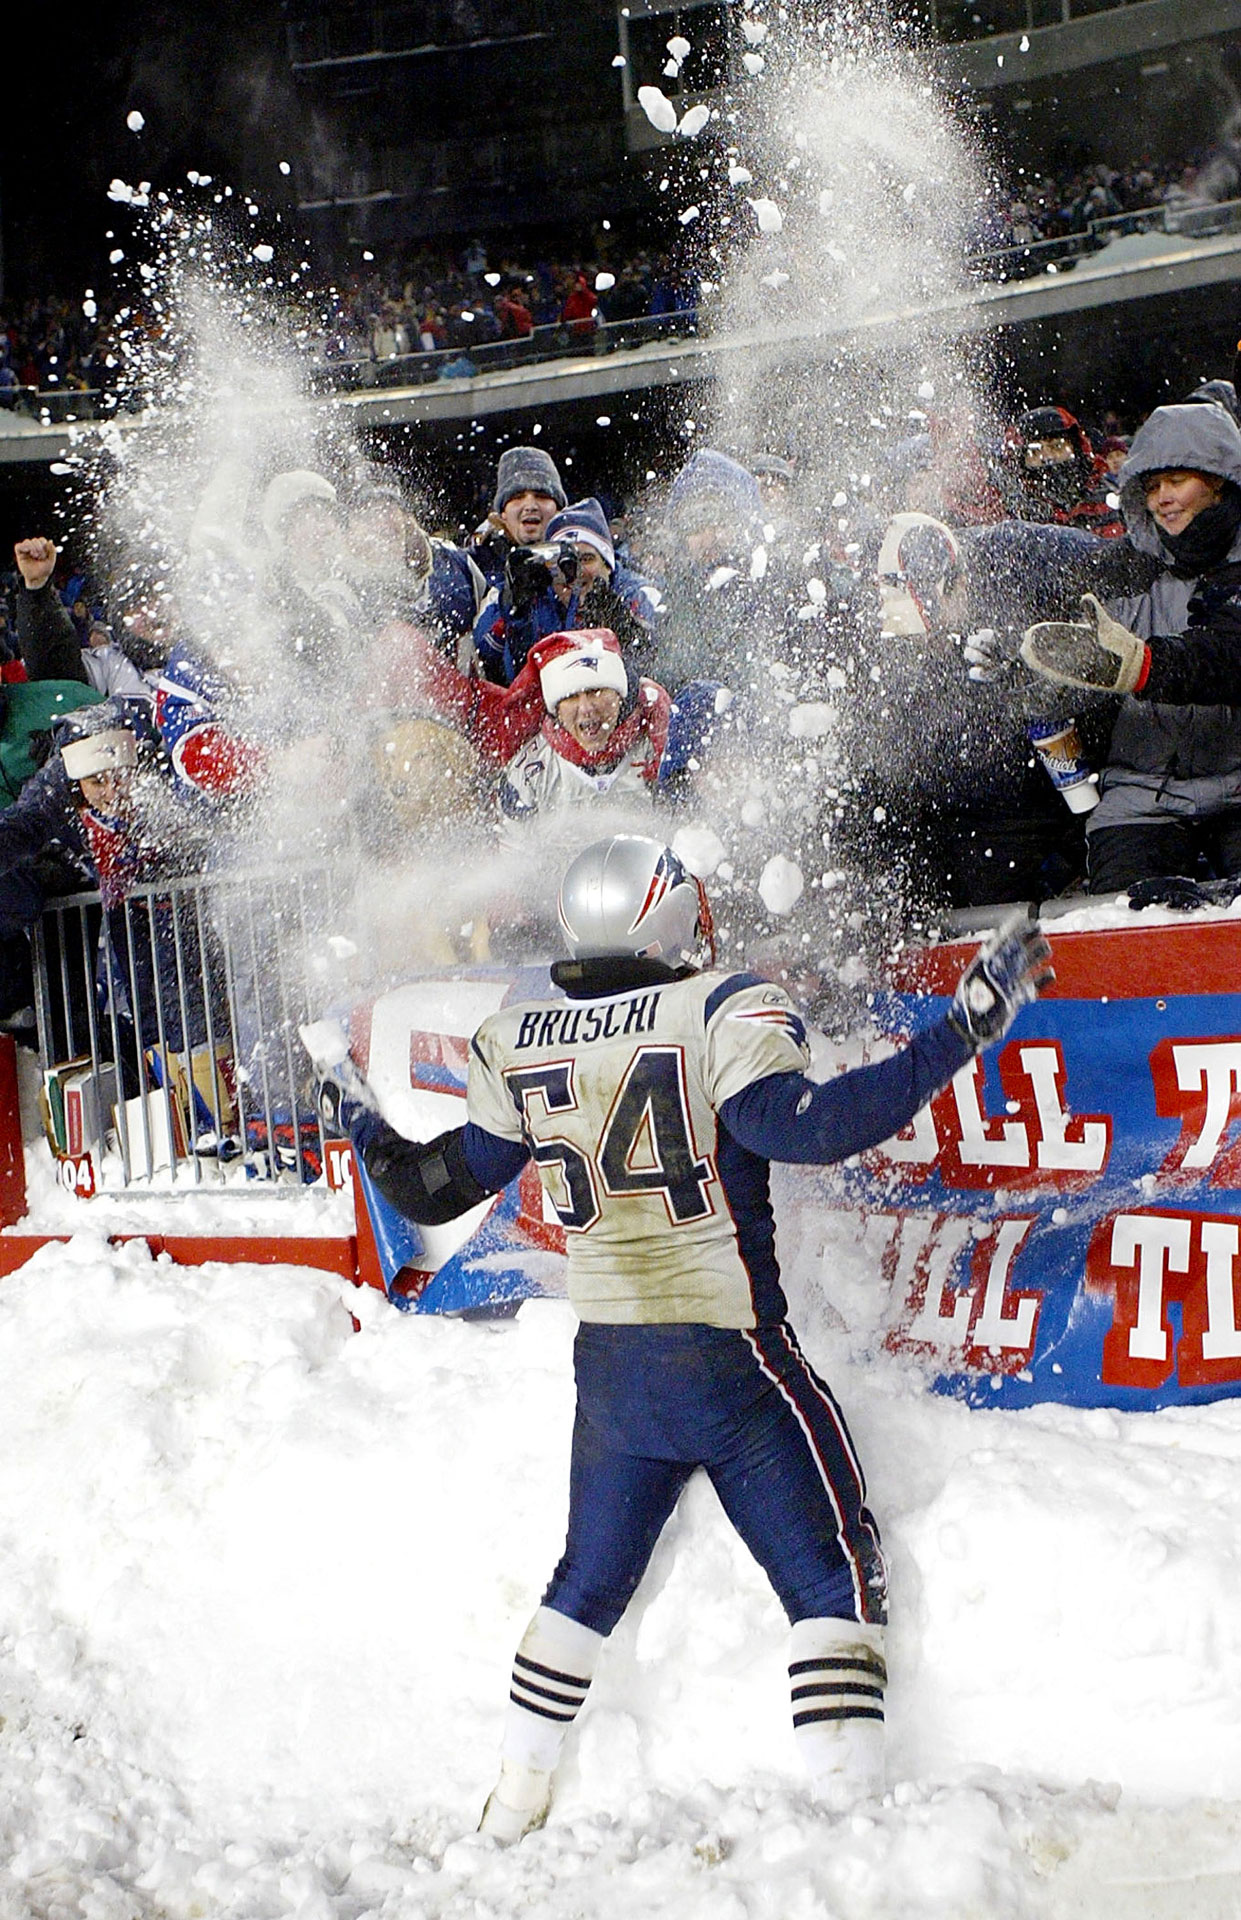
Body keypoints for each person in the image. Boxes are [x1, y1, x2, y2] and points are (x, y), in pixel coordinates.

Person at [302, 834, 1052, 1840]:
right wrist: (961, 1029)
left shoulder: (523, 1033)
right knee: (831, 1574)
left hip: (611, 1364)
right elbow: (810, 1129)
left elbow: (427, 1184)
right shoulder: (717, 1008)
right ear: (667, 918)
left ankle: (512, 1799)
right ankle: (849, 1816)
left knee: (585, 1582)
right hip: (727, 1356)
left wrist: (353, 1106)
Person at [497, 630, 671, 833]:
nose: (586, 708)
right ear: (557, 710)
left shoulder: (656, 750)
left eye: (595, 692)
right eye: (571, 697)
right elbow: (514, 856)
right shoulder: (529, 771)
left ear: (618, 696)